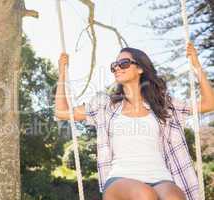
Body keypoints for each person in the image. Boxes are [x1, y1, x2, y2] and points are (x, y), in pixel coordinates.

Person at [55, 42, 214, 200]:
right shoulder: (105, 106)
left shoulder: (163, 105)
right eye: (114, 65)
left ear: (140, 68)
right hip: (121, 178)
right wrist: (62, 73)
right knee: (145, 195)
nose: (117, 67)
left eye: (123, 63)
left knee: (175, 197)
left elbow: (209, 104)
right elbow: (61, 112)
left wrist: (196, 65)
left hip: (161, 177)